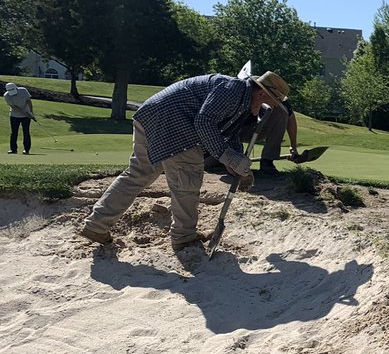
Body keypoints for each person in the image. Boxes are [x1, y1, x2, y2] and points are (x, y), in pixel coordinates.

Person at [79, 71, 289, 251]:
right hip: (176, 127)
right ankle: (184, 237)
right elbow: (204, 121)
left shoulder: (241, 98)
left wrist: (235, 162)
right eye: (272, 101)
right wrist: (226, 156)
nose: (271, 107)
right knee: (188, 180)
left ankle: (96, 225)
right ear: (262, 93)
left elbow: (229, 133)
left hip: (151, 117)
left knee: (137, 175)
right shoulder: (232, 89)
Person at [4, 82, 35, 154]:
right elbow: (14, 107)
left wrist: (31, 112)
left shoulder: (23, 90)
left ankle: (26, 150)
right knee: (14, 133)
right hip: (14, 115)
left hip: (26, 116)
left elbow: (29, 101)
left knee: (26, 132)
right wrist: (25, 113)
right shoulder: (7, 95)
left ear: (16, 88)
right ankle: (13, 149)